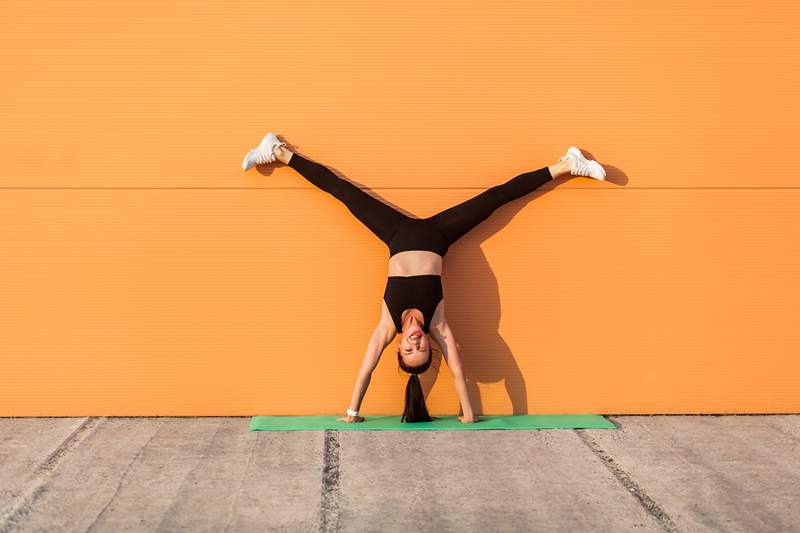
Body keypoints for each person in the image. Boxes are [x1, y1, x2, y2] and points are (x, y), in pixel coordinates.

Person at [242, 132, 606, 423]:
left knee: (342, 191)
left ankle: (278, 152)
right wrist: (467, 414)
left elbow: (366, 367)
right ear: (431, 347)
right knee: (497, 197)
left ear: (397, 346)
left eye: (408, 349)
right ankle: (567, 164)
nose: (416, 343)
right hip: (438, 236)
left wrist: (352, 412)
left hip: (396, 234)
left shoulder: (387, 325)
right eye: (422, 350)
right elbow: (460, 371)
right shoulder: (440, 325)